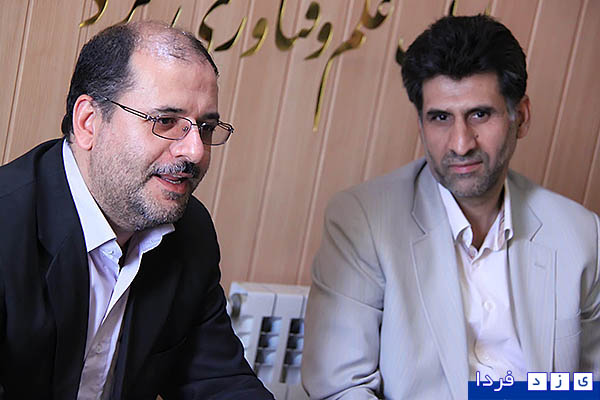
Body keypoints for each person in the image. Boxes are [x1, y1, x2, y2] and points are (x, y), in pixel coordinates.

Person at [302, 14, 600, 399]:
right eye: (441, 118)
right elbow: (339, 389)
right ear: (421, 124)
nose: (461, 143)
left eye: (480, 114)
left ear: (521, 117)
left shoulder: (580, 235)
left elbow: (591, 387)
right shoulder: (363, 221)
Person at [0, 21, 273, 399]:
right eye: (166, 122)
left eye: (206, 128)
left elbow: (219, 383)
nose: (195, 151)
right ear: (88, 122)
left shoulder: (190, 231)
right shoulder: (6, 225)